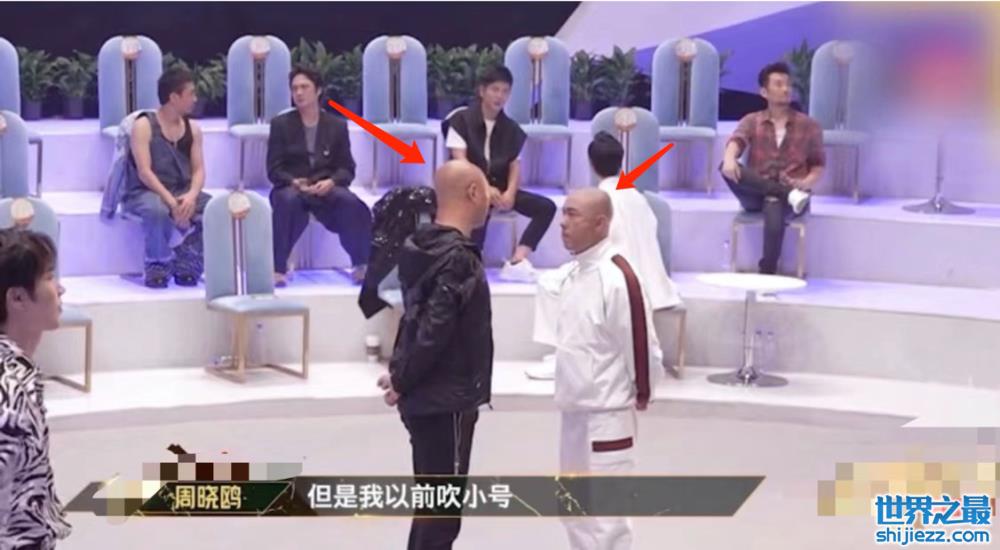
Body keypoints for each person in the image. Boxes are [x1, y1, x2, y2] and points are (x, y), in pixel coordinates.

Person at [377, 160, 493, 550]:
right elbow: (433, 329)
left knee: (432, 507)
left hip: (427, 397)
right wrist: (402, 378)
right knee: (441, 515)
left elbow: (415, 320)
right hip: (446, 400)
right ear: (474, 192)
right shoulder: (458, 258)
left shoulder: (421, 248)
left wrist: (400, 372)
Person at [552, 188, 661, 550]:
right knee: (573, 509)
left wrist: (642, 393)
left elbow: (641, 346)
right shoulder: (572, 274)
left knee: (607, 519)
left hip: (607, 415)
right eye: (563, 213)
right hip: (573, 412)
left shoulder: (618, 277)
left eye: (573, 215)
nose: (563, 223)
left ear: (600, 224)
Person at [528, 132, 679, 380]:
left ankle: (564, 354)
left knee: (550, 284)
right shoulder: (636, 195)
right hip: (651, 275)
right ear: (621, 161)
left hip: (616, 271)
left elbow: (601, 243)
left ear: (591, 163)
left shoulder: (601, 199)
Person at [445, 65, 556, 282]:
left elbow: (515, 165)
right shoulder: (460, 121)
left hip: (500, 189)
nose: (500, 96)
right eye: (495, 90)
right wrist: (484, 187)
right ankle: (471, 263)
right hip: (470, 189)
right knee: (480, 207)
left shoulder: (511, 129)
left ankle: (517, 261)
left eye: (505, 91)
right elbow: (460, 161)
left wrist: (510, 193)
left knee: (546, 207)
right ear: (482, 91)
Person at [267, 66, 373, 287]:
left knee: (352, 204)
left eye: (304, 87)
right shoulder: (280, 125)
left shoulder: (337, 126)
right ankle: (278, 267)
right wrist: (293, 181)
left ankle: (361, 264)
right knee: (287, 202)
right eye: (294, 88)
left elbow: (347, 168)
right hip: (292, 187)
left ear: (318, 91)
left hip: (325, 187)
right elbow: (274, 169)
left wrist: (331, 182)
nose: (298, 93)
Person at [0, 229, 72, 548]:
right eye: (49, 277)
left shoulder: (19, 374)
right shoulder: (11, 386)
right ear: (17, 298)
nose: (60, 289)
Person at [720, 61, 825, 275]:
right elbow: (737, 141)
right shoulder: (752, 120)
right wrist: (730, 158)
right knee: (725, 165)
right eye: (778, 84)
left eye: (788, 84)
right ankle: (785, 193)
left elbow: (818, 164)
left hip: (792, 196)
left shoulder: (809, 125)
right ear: (764, 92)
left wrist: (804, 183)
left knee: (774, 202)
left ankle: (767, 272)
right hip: (756, 193)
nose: (785, 89)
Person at [123, 67, 212, 288]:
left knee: (215, 210)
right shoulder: (144, 126)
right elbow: (144, 172)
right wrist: (172, 203)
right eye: (191, 93)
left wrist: (191, 196)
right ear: (174, 97)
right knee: (157, 210)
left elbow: (199, 170)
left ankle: (188, 259)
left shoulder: (193, 128)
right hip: (145, 190)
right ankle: (158, 263)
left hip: (181, 189)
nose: (195, 99)